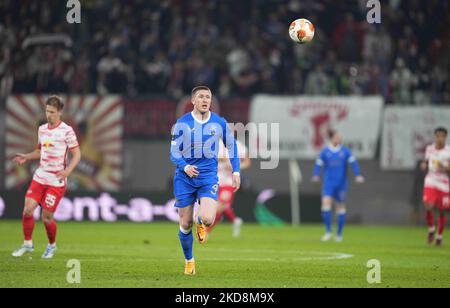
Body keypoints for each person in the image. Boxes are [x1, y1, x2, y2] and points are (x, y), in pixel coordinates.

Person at [170, 86, 240, 275]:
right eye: (201, 96)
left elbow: (231, 147)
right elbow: (173, 153)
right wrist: (185, 166)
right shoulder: (182, 123)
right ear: (193, 100)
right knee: (185, 224)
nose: (205, 100)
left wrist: (236, 172)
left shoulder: (219, 123)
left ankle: (200, 221)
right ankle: (189, 260)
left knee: (208, 219)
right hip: (185, 178)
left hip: (208, 177)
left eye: (208, 97)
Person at [12, 95, 81, 259]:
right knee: (28, 210)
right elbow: (40, 151)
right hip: (40, 177)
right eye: (46, 110)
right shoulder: (42, 129)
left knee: (46, 217)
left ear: (59, 112)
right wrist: (26, 157)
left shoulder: (67, 131)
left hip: (56, 181)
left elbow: (77, 154)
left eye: (52, 111)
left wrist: (68, 171)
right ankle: (28, 244)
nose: (48, 114)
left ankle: (52, 245)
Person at [312, 130, 364, 242]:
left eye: (340, 137)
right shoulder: (325, 152)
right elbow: (318, 164)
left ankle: (339, 234)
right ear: (332, 138)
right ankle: (328, 232)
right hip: (328, 184)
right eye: (337, 137)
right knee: (325, 205)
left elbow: (353, 163)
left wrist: (358, 175)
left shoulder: (345, 152)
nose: (339, 139)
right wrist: (315, 175)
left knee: (340, 207)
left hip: (341, 184)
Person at [209, 139, 251, 237]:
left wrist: (236, 167)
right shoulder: (214, 143)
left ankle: (206, 232)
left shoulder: (239, 145)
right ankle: (235, 220)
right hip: (215, 180)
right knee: (219, 207)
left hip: (229, 182)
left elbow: (247, 162)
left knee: (220, 206)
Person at [421, 127, 450, 246]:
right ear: (435, 136)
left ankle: (439, 236)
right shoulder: (429, 149)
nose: (440, 138)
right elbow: (426, 161)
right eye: (438, 136)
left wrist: (444, 167)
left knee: (442, 211)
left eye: (442, 136)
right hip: (431, 179)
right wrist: (423, 164)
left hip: (443, 182)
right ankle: (431, 228)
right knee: (428, 205)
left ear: (446, 137)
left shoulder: (448, 151)